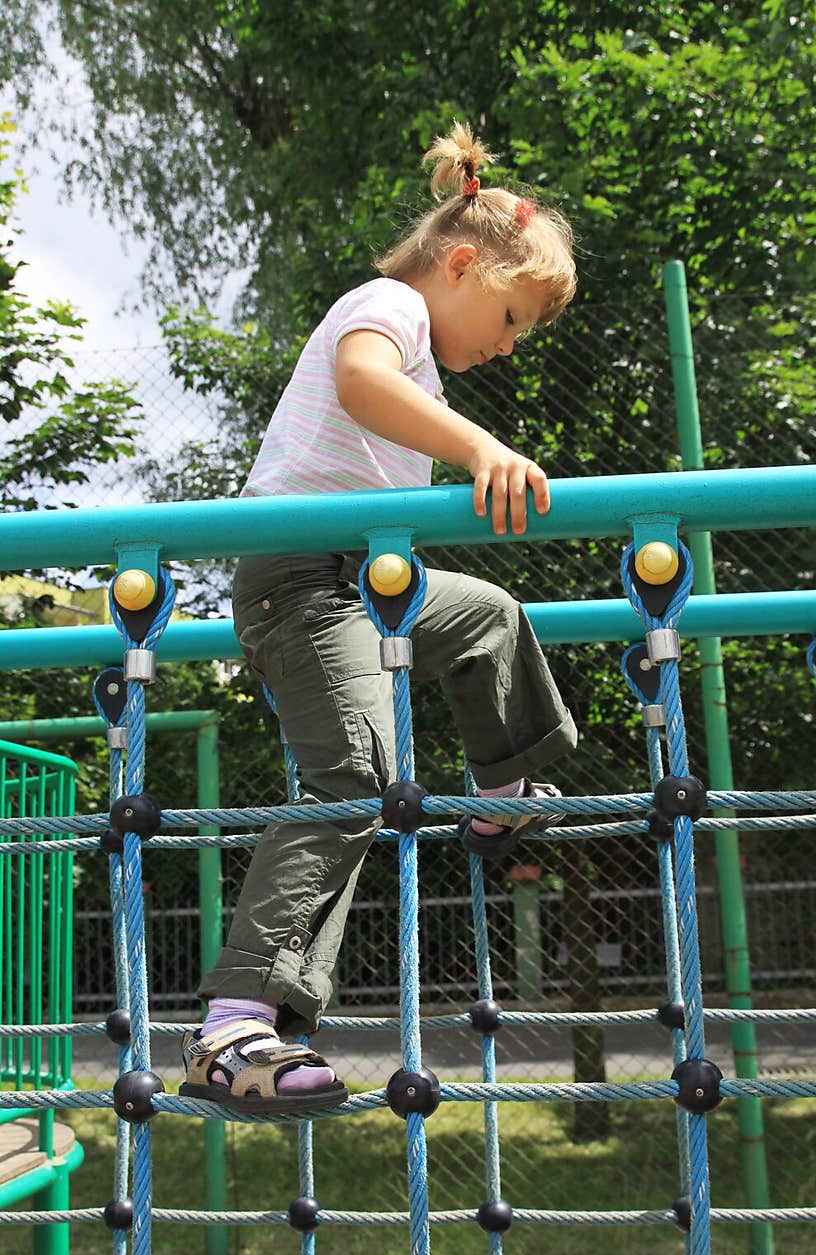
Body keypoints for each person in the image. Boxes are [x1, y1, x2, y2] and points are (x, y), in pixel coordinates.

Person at [181, 121, 578, 1116]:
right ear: (456, 265)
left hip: (368, 580)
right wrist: (480, 448)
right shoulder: (389, 306)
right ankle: (232, 1023)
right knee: (355, 779)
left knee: (488, 614)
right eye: (511, 314)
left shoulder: (424, 356)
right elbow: (358, 384)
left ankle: (500, 790)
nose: (509, 342)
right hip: (301, 579)